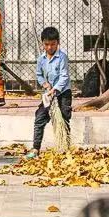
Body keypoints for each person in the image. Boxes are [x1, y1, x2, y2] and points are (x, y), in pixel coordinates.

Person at [27, 26, 71, 159]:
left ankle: (64, 148)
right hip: (49, 94)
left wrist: (55, 89)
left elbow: (64, 76)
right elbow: (39, 75)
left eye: (53, 44)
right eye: (47, 44)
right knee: (39, 118)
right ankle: (35, 149)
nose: (50, 47)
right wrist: (45, 84)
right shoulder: (41, 59)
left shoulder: (62, 57)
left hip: (63, 93)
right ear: (42, 44)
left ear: (58, 43)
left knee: (63, 120)